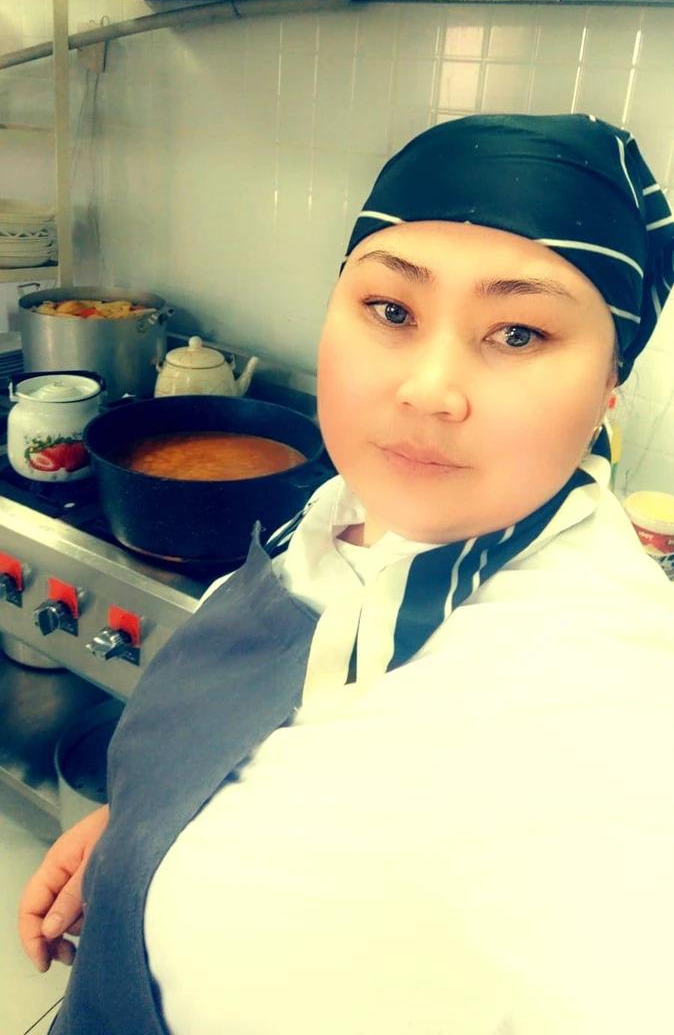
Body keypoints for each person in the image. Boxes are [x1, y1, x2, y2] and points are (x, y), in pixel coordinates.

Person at [19, 113, 674, 1035]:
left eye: (520, 332)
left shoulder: (608, 706)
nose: (427, 389)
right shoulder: (341, 513)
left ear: (610, 383)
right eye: (392, 311)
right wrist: (147, 833)